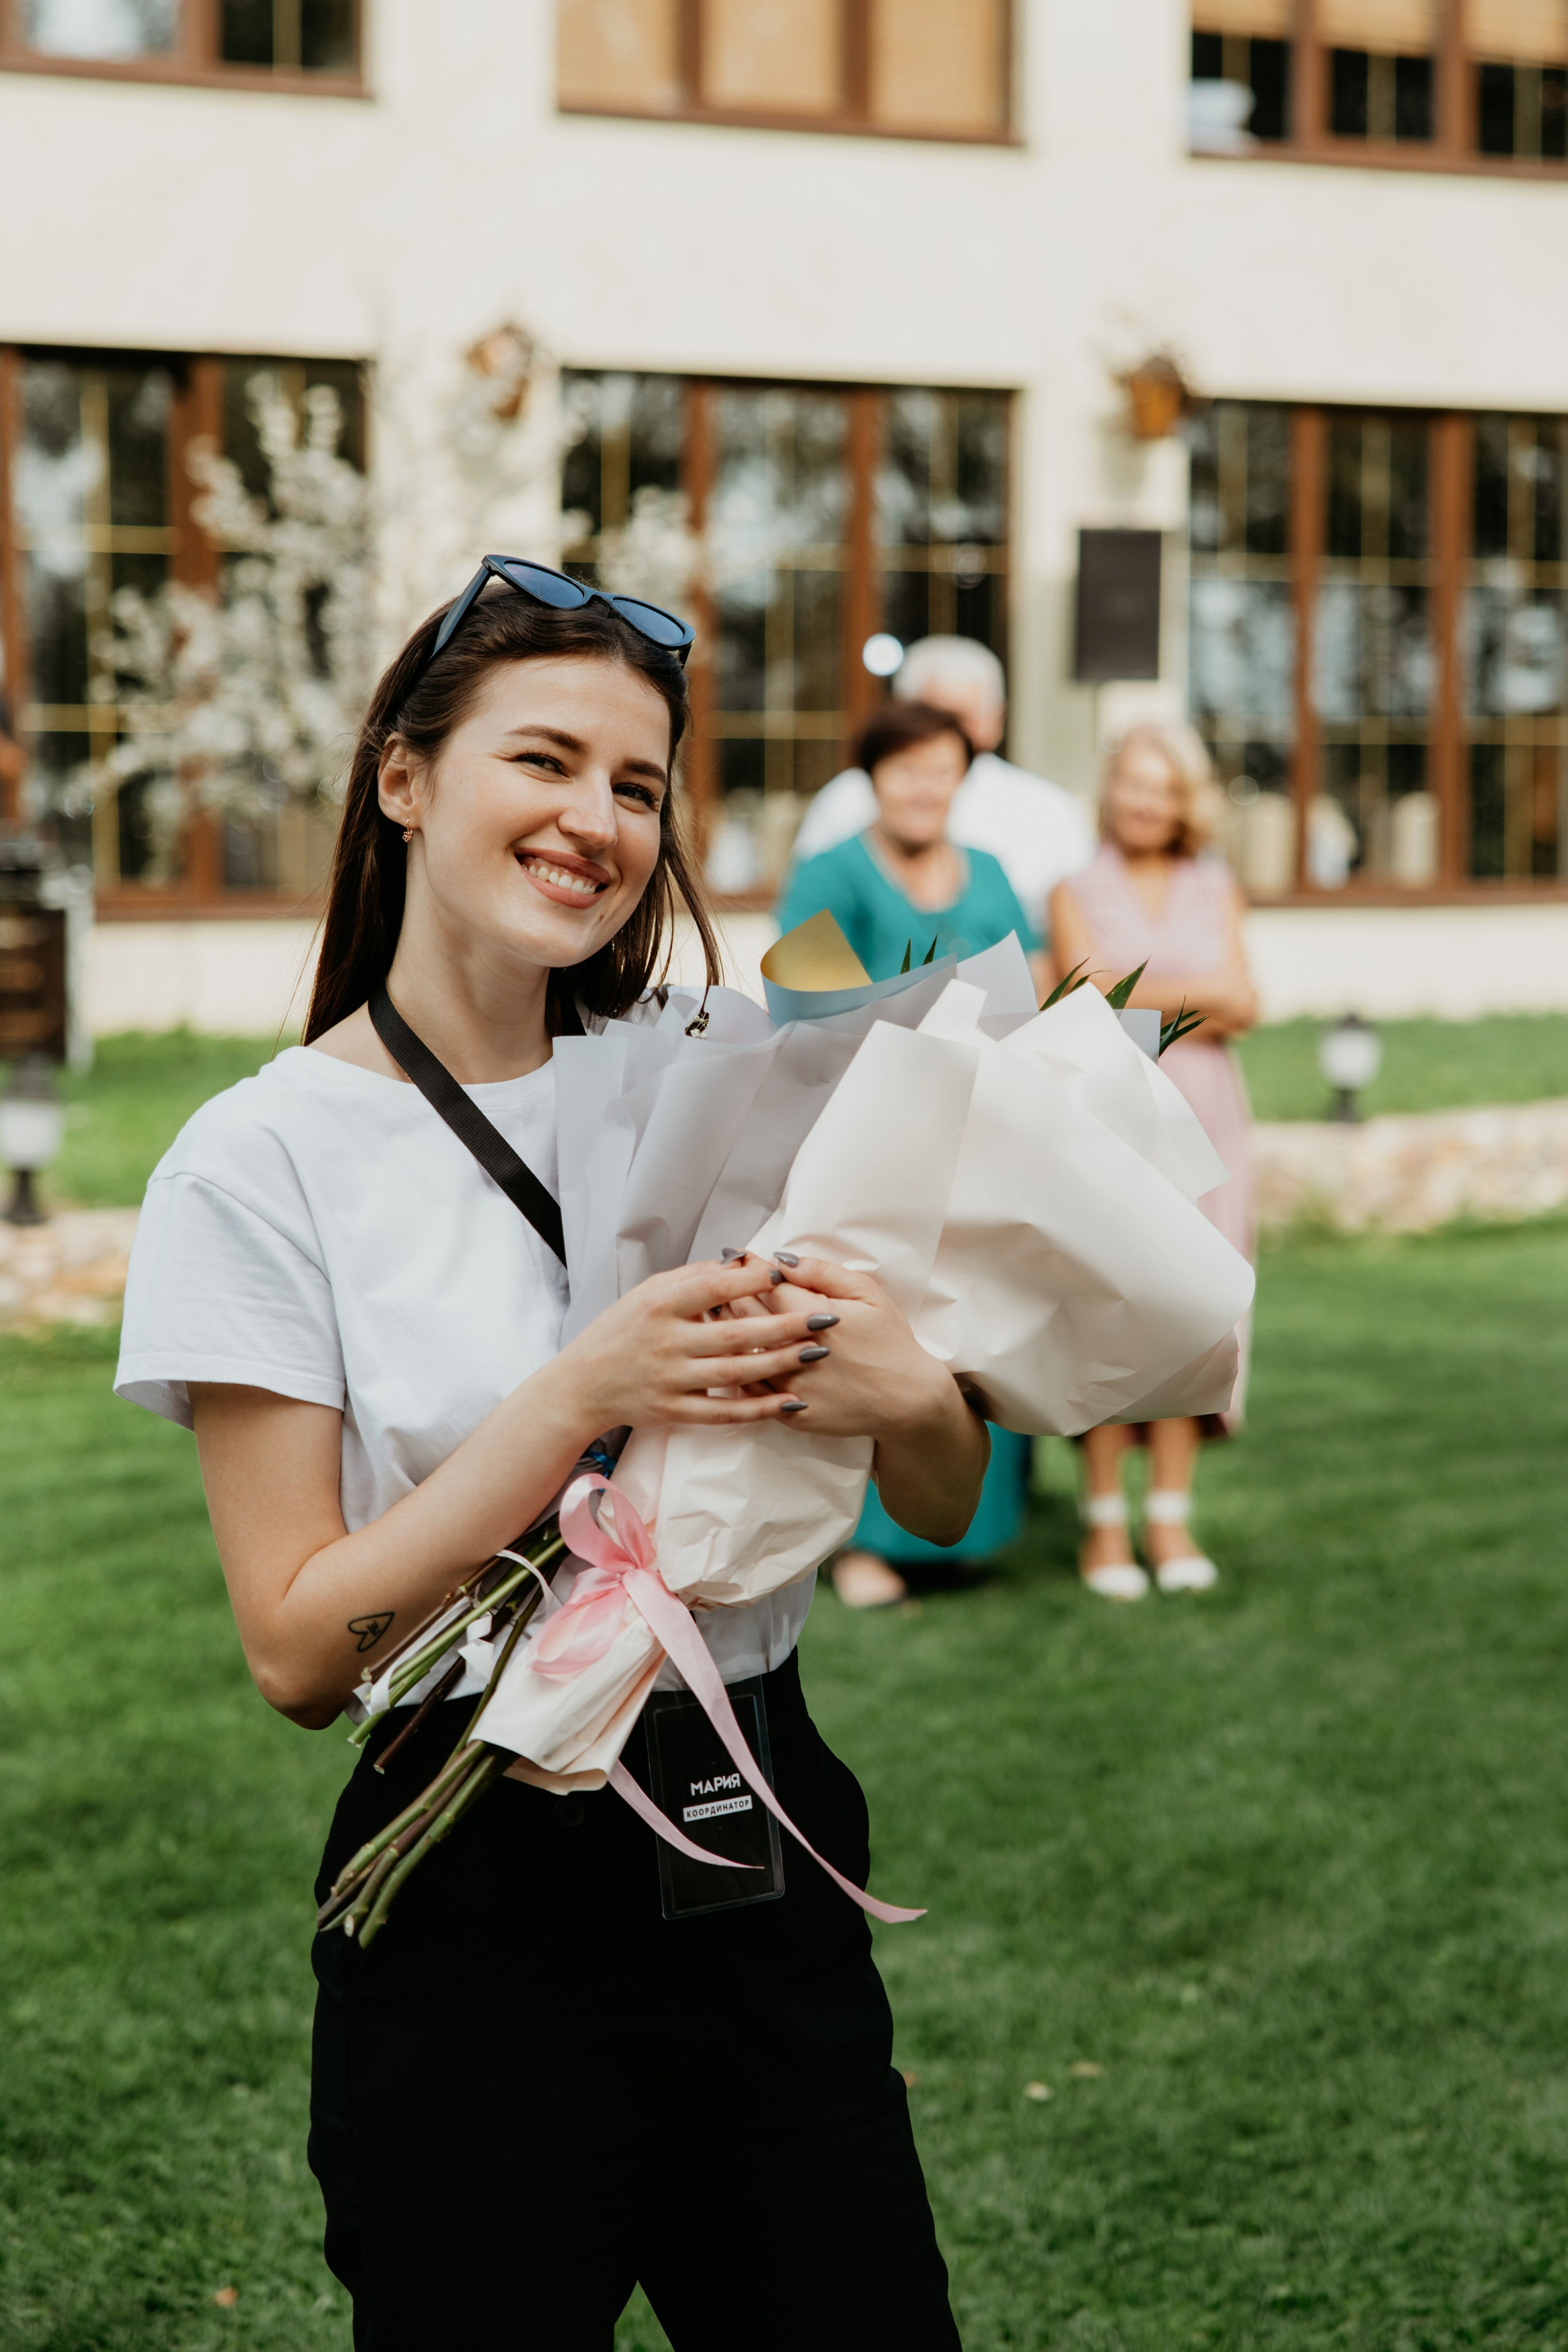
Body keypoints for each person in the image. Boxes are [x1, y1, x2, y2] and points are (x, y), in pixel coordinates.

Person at [113, 565, 985, 2348]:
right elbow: (294, 1647)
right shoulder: (261, 1160)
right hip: (475, 1894)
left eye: (638, 783)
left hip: (761, 1833)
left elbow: (939, 1496)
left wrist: (909, 1391)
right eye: (546, 758)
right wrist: (582, 1385)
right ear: (404, 776)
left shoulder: (727, 1080)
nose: (595, 818)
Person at [777, 697, 1039, 1611]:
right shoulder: (830, 872)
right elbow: (801, 997)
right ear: (872, 778)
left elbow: (1025, 990)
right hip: (872, 1137)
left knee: (976, 1325)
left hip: (983, 1134)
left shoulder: (996, 872)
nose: (924, 786)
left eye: (942, 767)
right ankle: (859, 1545)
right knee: (876, 1330)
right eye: (905, 767)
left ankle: (960, 1530)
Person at [1048, 722, 1259, 1603]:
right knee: (1111, 1308)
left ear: (1186, 801)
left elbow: (1245, 1003)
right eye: (1133, 783)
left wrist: (1136, 988)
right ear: (1111, 792)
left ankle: (1169, 1512)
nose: (1147, 801)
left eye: (1164, 787)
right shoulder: (1072, 888)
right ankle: (1104, 1522)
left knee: (1196, 1310)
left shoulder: (1217, 886)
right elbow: (1078, 1002)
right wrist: (1189, 995)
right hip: (1111, 1112)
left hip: (1208, 1115)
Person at [789, 634, 1094, 938]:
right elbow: (806, 932)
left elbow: (1068, 937)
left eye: (963, 719)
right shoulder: (846, 800)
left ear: (996, 718)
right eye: (929, 716)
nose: (945, 734)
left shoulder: (1048, 809)